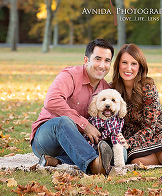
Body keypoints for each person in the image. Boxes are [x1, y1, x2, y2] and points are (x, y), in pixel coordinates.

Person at [30, 39, 115, 175]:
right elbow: (52, 101)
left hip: (77, 145)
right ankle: (94, 166)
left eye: (107, 61)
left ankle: (55, 161)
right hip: (47, 138)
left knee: (107, 147)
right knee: (64, 121)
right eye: (98, 59)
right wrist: (85, 125)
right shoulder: (70, 75)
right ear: (86, 60)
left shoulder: (106, 89)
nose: (102, 65)